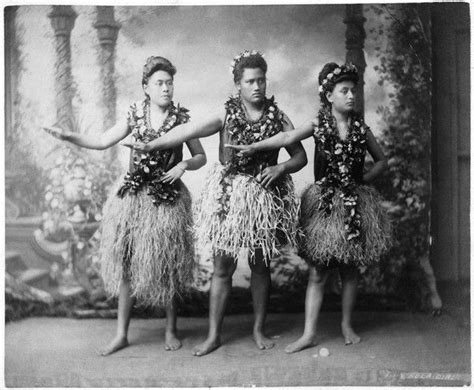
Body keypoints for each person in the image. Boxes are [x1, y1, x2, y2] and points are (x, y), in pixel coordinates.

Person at [123, 50, 307, 356]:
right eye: (250, 81)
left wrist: (280, 168)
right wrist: (153, 143)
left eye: (261, 79)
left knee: (261, 266)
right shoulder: (226, 114)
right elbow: (188, 131)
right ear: (238, 85)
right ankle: (214, 335)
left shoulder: (278, 116)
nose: (257, 86)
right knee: (223, 266)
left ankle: (259, 329)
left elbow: (299, 156)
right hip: (229, 197)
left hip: (264, 197)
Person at [43, 56, 206, 355]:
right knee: (128, 264)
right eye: (159, 83)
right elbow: (103, 140)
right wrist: (69, 136)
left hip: (167, 199)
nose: (166, 88)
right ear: (146, 87)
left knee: (167, 264)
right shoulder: (135, 114)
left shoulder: (181, 119)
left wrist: (184, 164)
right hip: (133, 197)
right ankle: (121, 334)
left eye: (169, 83)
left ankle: (171, 329)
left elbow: (201, 157)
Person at [227, 62, 391, 353]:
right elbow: (287, 138)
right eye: (344, 90)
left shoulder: (360, 130)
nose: (351, 95)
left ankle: (346, 324)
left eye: (353, 90)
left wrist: (364, 179)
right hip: (324, 204)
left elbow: (381, 160)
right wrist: (256, 147)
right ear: (329, 96)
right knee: (318, 272)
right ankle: (309, 333)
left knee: (350, 270)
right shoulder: (318, 125)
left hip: (353, 203)